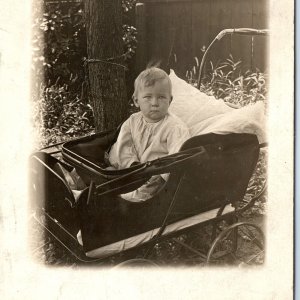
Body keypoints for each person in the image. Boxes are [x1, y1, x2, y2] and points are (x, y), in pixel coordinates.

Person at [108, 67, 190, 202]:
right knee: (108, 172)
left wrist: (160, 174)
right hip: (131, 171)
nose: (154, 103)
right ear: (136, 100)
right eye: (147, 97)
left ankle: (124, 202)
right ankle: (83, 189)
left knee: (151, 187)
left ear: (170, 100)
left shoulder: (175, 127)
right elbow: (124, 147)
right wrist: (132, 165)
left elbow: (177, 157)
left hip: (155, 176)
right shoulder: (132, 121)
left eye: (161, 97)